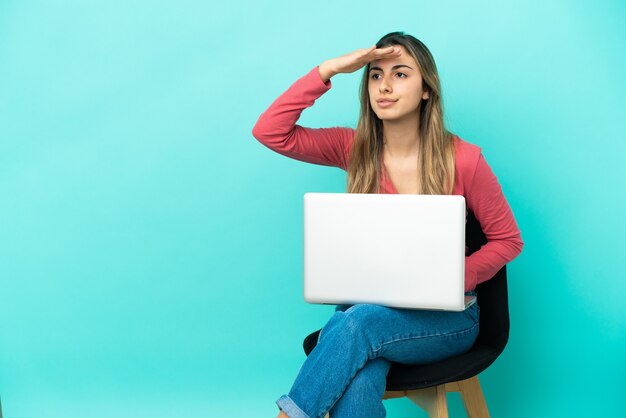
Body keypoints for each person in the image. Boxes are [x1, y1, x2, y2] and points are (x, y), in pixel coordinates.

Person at [252, 31, 524, 418]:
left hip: (446, 320)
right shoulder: (353, 147)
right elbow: (270, 131)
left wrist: (454, 275)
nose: (385, 86)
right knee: (359, 371)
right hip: (367, 312)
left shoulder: (464, 159)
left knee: (355, 324)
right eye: (375, 76)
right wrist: (329, 70)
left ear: (426, 89)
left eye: (400, 74)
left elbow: (508, 240)